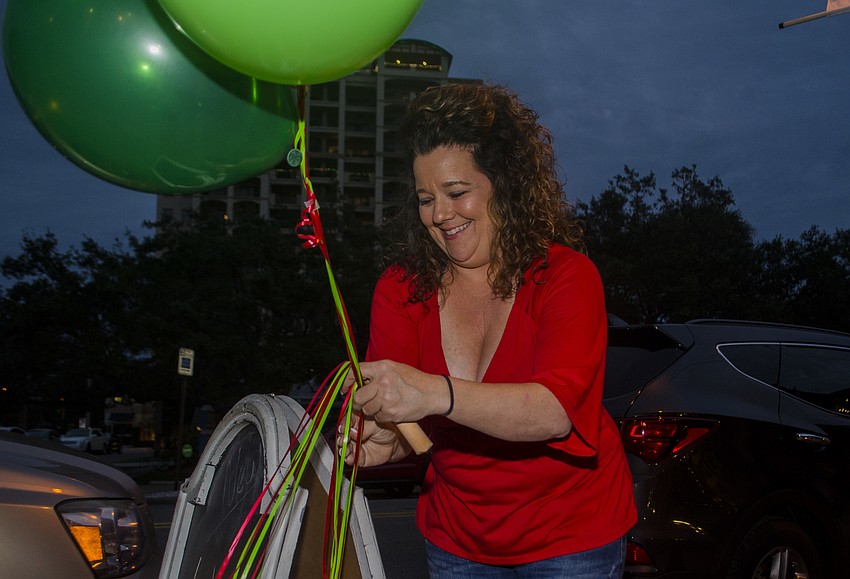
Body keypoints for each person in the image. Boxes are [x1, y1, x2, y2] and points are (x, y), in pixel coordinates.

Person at [341, 82, 637, 578]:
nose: (439, 214)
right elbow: (403, 423)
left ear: (506, 183)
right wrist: (380, 442)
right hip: (456, 538)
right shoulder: (400, 289)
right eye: (425, 198)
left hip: (572, 537)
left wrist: (433, 393)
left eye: (457, 192)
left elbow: (553, 412)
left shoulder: (566, 276)